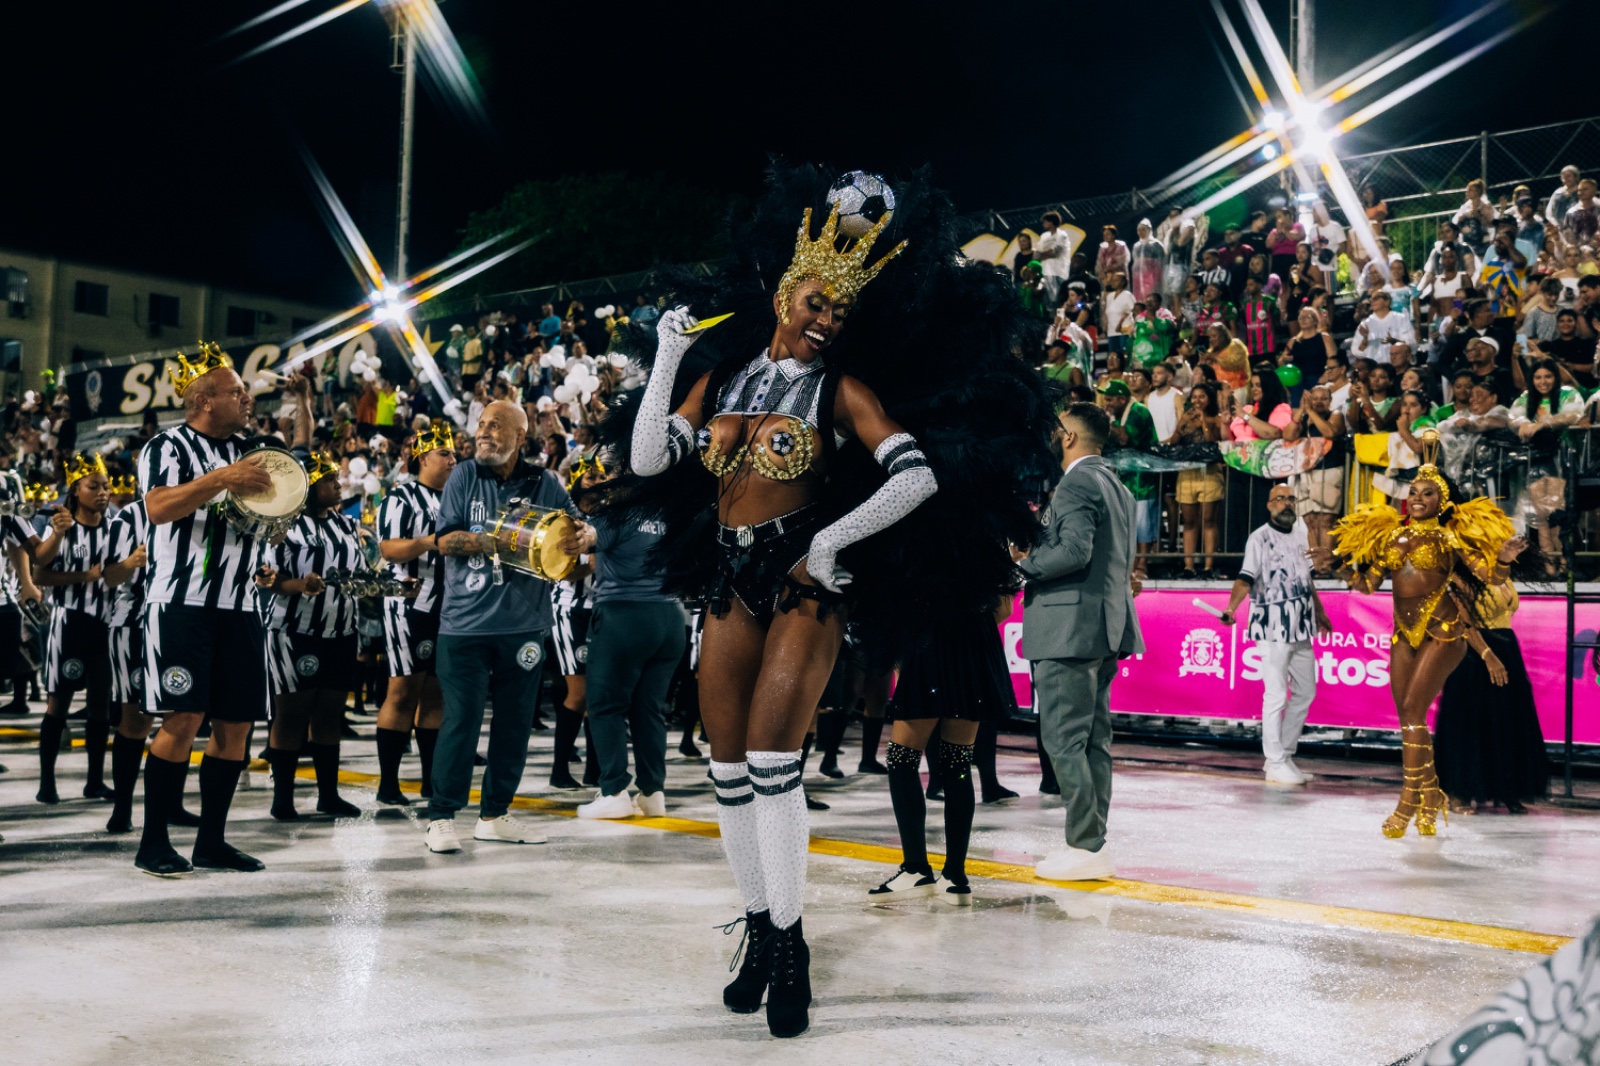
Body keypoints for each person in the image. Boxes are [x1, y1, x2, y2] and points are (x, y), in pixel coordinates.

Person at [611, 170, 1052, 1039]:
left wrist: (831, 542)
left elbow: (916, 473)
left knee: (776, 758)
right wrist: (666, 357)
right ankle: (762, 933)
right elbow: (653, 460)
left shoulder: (839, 391)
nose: (824, 319)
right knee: (729, 769)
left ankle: (792, 944)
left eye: (839, 312)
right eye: (815, 301)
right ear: (785, 291)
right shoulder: (725, 377)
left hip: (805, 582)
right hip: (731, 578)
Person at [133, 345, 280, 876]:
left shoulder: (253, 449)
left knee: (236, 725)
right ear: (202, 400)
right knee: (183, 716)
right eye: (235, 390)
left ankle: (211, 843)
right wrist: (220, 479)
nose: (246, 396)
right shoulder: (166, 445)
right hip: (182, 602)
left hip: (241, 605)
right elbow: (158, 508)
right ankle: (153, 843)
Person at [1311, 461, 1514, 838]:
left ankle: (1407, 802)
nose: (1418, 499)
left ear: (1443, 501)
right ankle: (1432, 794)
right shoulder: (1393, 538)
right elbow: (1367, 584)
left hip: (1444, 632)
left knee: (1412, 711)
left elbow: (1489, 577)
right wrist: (1336, 565)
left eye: (1428, 493)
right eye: (1414, 493)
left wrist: (1501, 560)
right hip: (1404, 634)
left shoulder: (1450, 540)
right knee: (1406, 714)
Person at [423, 400, 587, 853]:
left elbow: (573, 540)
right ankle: (441, 816)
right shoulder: (463, 476)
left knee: (514, 725)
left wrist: (575, 548)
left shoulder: (546, 483)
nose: (484, 431)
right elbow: (444, 540)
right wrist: (501, 541)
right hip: (464, 626)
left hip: (523, 626)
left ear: (521, 435)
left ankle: (495, 814)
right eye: (480, 424)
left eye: (496, 425)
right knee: (462, 721)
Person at [1016, 403, 1143, 881]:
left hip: (1067, 629)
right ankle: (1091, 844)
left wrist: (1021, 566)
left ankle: (1084, 845)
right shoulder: (1117, 486)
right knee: (1094, 742)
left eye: (1057, 430)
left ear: (1068, 437)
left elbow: (1073, 550)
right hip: (1105, 628)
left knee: (1063, 740)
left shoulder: (1077, 483)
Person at [870, 598, 1015, 905]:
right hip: (975, 643)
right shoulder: (988, 546)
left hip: (927, 638)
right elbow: (1005, 607)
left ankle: (916, 868)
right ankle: (955, 876)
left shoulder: (918, 546)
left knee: (902, 759)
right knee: (957, 761)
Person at [573, 473, 688, 820]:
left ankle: (613, 791)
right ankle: (653, 792)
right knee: (648, 709)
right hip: (670, 619)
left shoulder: (614, 514)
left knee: (605, 707)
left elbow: (586, 539)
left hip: (624, 616)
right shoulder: (670, 513)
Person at [259, 452, 367, 821]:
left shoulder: (346, 525)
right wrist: (299, 585)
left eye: (337, 479)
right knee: (291, 714)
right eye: (329, 481)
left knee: (330, 713)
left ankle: (328, 795)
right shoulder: (283, 525)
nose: (338, 485)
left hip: (341, 629)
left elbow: (360, 572)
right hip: (294, 630)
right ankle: (282, 799)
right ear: (307, 487)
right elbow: (267, 580)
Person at [1220, 486, 1331, 784]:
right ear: (1269, 505)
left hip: (1301, 625)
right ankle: (1274, 759)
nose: (1286, 503)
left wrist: (1319, 611)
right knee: (1276, 694)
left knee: (1306, 692)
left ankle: (1284, 756)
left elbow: (1306, 578)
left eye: (1290, 499)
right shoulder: (1259, 538)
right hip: (1271, 625)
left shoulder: (1300, 532)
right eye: (1279, 499)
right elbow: (1245, 578)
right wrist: (1231, 608)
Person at [373, 422, 456, 805]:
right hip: (409, 603)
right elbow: (389, 549)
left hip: (448, 605)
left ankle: (429, 780)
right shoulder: (401, 497)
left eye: (454, 453)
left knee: (437, 693)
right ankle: (388, 783)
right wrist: (430, 543)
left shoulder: (456, 498)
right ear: (423, 458)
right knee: (403, 689)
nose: (453, 459)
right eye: (445, 453)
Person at [32, 454, 114, 805]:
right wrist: (85, 576)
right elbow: (40, 573)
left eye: (106, 486)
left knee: (100, 705)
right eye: (93, 487)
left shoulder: (115, 528)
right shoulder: (64, 527)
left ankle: (94, 780)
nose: (102, 493)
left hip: (106, 624)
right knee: (59, 703)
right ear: (75, 491)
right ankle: (46, 782)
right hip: (70, 624)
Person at [1435, 574, 1550, 814]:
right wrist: (1487, 655)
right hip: (1472, 654)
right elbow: (1464, 624)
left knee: (1507, 720)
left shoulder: (1503, 574)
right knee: (1469, 722)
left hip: (1507, 646)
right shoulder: (1461, 575)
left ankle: (1507, 789)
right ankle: (1459, 792)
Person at [1510, 359, 1584, 574]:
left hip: (1560, 459)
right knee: (1539, 516)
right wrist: (1522, 424)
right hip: (1534, 460)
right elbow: (1512, 417)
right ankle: (1550, 568)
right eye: (1538, 377)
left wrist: (1544, 423)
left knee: (1557, 515)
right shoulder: (1525, 398)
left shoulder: (1567, 393)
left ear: (1556, 377)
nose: (1543, 382)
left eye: (1548, 376)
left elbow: (1574, 414)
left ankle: (1563, 567)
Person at [1098, 380, 1158, 575]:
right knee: (1128, 521)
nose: (1106, 403)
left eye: (1110, 399)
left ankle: (1142, 565)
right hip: (1127, 477)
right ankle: (1130, 564)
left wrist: (1105, 420)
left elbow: (1124, 438)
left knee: (1143, 521)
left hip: (1143, 479)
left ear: (1122, 399)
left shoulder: (1138, 412)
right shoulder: (1119, 414)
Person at [1283, 385, 1345, 571]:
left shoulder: (1336, 415)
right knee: (1311, 521)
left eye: (1323, 398)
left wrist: (1310, 411)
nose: (1318, 402)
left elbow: (1330, 432)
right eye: (1314, 398)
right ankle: (1317, 567)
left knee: (1326, 520)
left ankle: (1328, 566)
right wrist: (1302, 411)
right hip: (1305, 472)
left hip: (1329, 471)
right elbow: (1288, 435)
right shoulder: (1303, 417)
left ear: (1330, 401)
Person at [1169, 382, 1226, 578]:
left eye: (1202, 396)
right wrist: (1180, 425)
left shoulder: (1216, 419)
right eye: (1194, 397)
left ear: (1209, 399)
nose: (1197, 400)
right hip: (1187, 473)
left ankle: (1209, 567)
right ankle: (1188, 566)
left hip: (1209, 473)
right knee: (1189, 522)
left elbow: (1213, 442)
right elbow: (1173, 442)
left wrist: (1203, 422)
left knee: (1209, 521)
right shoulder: (1186, 417)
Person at [1034, 212, 1071, 303]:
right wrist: (1045, 254)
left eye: (1045, 222)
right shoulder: (1044, 236)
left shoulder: (1062, 235)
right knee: (1048, 299)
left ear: (1051, 222)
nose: (1043, 224)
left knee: (1060, 297)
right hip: (1045, 271)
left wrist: (1043, 254)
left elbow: (1055, 252)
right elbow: (1036, 254)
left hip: (1059, 271)